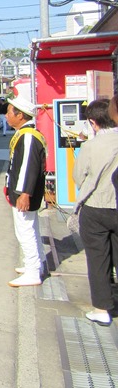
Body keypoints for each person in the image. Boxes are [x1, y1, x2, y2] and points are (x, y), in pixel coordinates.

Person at [73, 99, 118, 325]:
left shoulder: (90, 146)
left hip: (96, 206)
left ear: (93, 122)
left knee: (98, 258)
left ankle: (102, 308)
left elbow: (78, 176)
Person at [4, 93, 47, 287]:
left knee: (26, 231)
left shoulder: (28, 136)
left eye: (9, 112)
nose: (6, 116)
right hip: (22, 191)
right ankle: (37, 263)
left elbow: (29, 167)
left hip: (24, 192)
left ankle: (33, 271)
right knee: (30, 228)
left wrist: (25, 193)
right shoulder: (25, 134)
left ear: (20, 115)